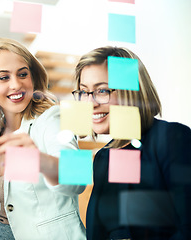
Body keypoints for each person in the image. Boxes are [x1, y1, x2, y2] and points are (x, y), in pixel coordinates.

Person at [0, 38, 86, 240]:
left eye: (23, 74)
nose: (16, 84)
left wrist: (40, 160)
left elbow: (76, 178)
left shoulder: (52, 118)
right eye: (4, 78)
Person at [72, 46, 191, 239]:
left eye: (102, 90)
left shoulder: (172, 138)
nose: (91, 103)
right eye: (84, 92)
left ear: (130, 91)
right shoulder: (104, 157)